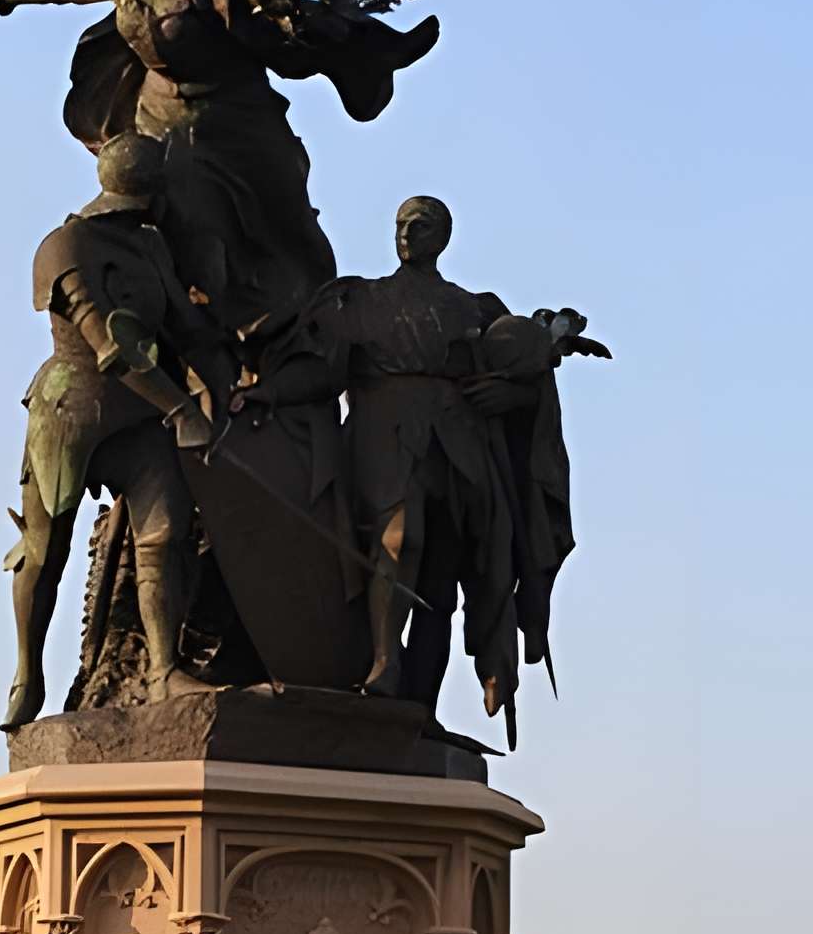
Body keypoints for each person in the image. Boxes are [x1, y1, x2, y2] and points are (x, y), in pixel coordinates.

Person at [0, 0, 438, 334]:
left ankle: (317, 318)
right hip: (161, 119)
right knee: (183, 227)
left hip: (236, 111)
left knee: (289, 219)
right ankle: (192, 326)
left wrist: (290, 10)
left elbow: (254, 0)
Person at [253, 197, 605, 733]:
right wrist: (266, 395)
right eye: (401, 224)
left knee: (443, 579)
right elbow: (322, 378)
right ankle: (383, 661)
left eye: (421, 226)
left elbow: (518, 382)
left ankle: (419, 702)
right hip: (382, 438)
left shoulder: (473, 308)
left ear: (443, 237)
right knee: (400, 539)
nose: (407, 233)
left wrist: (509, 394)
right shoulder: (362, 300)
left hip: (457, 451)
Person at [5, 136, 218, 730]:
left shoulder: (150, 246)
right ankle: (27, 671)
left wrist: (229, 384)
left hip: (140, 414)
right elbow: (108, 347)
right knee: (46, 549)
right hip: (73, 407)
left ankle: (163, 669)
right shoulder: (66, 245)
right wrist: (183, 411)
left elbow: (187, 329)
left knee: (166, 531)